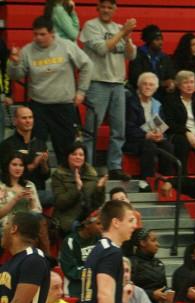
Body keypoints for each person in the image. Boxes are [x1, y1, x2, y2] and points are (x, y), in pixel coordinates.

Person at [7, 16, 92, 162]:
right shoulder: (27, 50)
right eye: (35, 34)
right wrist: (14, 64)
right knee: (35, 151)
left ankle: (67, 182)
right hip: (38, 107)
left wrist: (81, 91)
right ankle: (33, 183)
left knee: (66, 150)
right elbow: (16, 75)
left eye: (42, 34)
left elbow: (87, 65)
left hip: (63, 106)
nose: (38, 38)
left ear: (52, 33)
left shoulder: (67, 45)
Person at [79, 0, 136, 178]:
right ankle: (86, 166)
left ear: (115, 9)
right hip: (97, 82)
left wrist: (126, 37)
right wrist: (122, 32)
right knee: (91, 129)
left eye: (110, 7)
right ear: (97, 8)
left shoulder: (120, 28)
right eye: (103, 7)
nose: (106, 10)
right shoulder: (91, 26)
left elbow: (131, 54)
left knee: (119, 129)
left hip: (118, 84)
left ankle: (114, 167)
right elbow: (102, 49)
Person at [124, 71, 175, 188]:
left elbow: (162, 125)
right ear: (139, 86)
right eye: (145, 84)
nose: (148, 87)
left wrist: (161, 135)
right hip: (134, 140)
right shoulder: (131, 103)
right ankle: (146, 180)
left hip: (152, 138)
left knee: (168, 146)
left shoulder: (157, 104)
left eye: (151, 85)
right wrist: (145, 135)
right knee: (149, 146)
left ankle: (166, 180)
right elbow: (128, 127)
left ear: (156, 88)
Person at [163, 70, 195, 175]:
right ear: (178, 85)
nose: (189, 85)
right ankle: (182, 176)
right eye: (185, 83)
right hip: (180, 133)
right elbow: (169, 123)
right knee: (181, 142)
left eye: (192, 82)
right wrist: (186, 132)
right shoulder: (170, 99)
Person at [51, 143, 108, 234]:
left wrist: (100, 188)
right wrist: (76, 189)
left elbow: (97, 203)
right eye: (74, 154)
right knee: (76, 226)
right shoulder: (58, 175)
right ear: (67, 156)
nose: (78, 157)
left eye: (81, 155)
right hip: (67, 217)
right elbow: (60, 203)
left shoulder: (91, 175)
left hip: (89, 216)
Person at [0, 106, 50, 194]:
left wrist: (43, 164)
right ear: (15, 121)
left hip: (38, 190)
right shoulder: (7, 145)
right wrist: (34, 164)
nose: (28, 121)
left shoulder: (40, 144)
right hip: (15, 191)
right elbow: (7, 174)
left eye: (30, 117)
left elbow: (46, 176)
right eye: (24, 118)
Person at [59, 211, 101, 297]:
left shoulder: (100, 238)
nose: (101, 227)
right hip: (77, 288)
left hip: (98, 285)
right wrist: (92, 272)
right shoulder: (70, 241)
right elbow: (70, 270)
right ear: (86, 224)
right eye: (98, 223)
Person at [127, 24, 175, 97]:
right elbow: (135, 78)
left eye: (161, 39)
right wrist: (161, 83)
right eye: (157, 40)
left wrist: (171, 84)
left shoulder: (164, 57)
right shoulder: (138, 55)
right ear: (149, 41)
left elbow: (170, 75)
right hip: (140, 94)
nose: (161, 42)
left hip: (161, 95)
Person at [128, 227, 172, 303]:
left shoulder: (159, 263)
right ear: (142, 243)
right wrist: (151, 294)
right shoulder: (131, 263)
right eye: (153, 240)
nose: (158, 244)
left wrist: (167, 293)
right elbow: (128, 289)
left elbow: (164, 286)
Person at [0, 154, 42, 225]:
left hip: (27, 225)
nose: (18, 168)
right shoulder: (1, 186)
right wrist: (15, 199)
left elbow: (38, 213)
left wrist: (32, 201)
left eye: (21, 165)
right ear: (7, 166)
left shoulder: (29, 185)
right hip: (7, 226)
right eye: (14, 164)